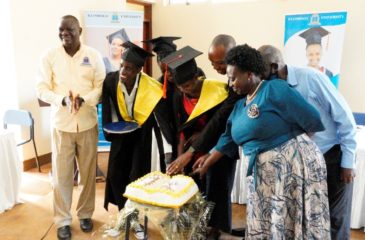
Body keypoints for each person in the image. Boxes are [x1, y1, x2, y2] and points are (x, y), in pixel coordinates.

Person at [193, 44, 331, 239]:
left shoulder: (274, 89)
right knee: (267, 224)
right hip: (264, 176)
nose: (231, 83)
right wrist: (207, 160)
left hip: (291, 170)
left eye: (233, 78)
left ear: (249, 74)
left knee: (290, 222)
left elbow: (312, 119)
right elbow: (228, 138)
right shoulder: (240, 105)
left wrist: (290, 147)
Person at [258, 44, 357, 240]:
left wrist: (348, 162)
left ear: (274, 66)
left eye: (262, 72)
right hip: (302, 165)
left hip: (331, 158)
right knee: (311, 220)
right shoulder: (271, 89)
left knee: (335, 219)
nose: (260, 79)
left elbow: (345, 119)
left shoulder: (311, 78)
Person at [36, 15, 105, 240]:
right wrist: (61, 100)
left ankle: (85, 214)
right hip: (62, 125)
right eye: (61, 30)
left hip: (87, 123)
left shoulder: (93, 56)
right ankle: (63, 221)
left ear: (80, 30)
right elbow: (41, 89)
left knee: (87, 173)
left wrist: (84, 99)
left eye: (70, 30)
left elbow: (101, 87)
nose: (65, 33)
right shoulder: (49, 56)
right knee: (62, 177)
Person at [163, 46, 235, 239]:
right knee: (195, 187)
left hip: (218, 148)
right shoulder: (180, 95)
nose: (185, 91)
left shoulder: (219, 91)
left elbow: (219, 125)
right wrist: (179, 158)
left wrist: (196, 144)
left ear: (196, 77)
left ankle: (217, 229)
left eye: (187, 86)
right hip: (193, 151)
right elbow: (181, 129)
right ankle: (199, 225)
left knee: (217, 189)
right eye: (180, 87)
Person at [102, 41, 164, 210]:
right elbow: (107, 109)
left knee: (137, 175)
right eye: (122, 66)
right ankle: (124, 212)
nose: (123, 71)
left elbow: (156, 117)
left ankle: (136, 214)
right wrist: (110, 131)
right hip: (120, 133)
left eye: (128, 68)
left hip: (141, 135)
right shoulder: (110, 81)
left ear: (139, 70)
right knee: (115, 174)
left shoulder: (151, 87)